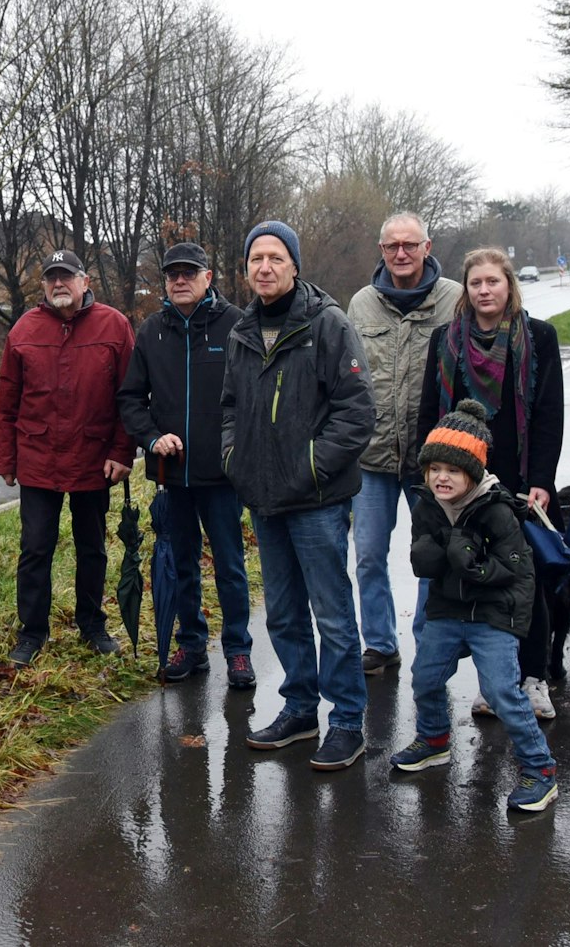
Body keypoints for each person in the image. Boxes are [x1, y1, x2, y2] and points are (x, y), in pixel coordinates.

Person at [221, 220, 376, 768]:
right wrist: (233, 459)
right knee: (284, 614)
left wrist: (310, 467)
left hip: (316, 500)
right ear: (246, 269)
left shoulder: (326, 324)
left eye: (275, 258)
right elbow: (230, 409)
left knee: (332, 615)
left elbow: (358, 412)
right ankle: (300, 709)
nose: (264, 267)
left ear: (294, 266)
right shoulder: (242, 331)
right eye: (255, 259)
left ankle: (347, 721)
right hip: (263, 499)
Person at [391, 400, 559, 812]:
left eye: (452, 470)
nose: (441, 478)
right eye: (434, 470)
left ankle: (541, 769)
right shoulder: (427, 506)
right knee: (425, 678)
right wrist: (442, 552)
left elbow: (517, 568)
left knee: (503, 692)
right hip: (448, 610)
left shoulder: (498, 509)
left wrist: (474, 563)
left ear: (473, 472)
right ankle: (433, 740)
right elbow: (421, 559)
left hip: (493, 612)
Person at [419, 247, 563, 720]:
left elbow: (548, 416)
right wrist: (434, 479)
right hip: (466, 489)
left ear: (509, 286)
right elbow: (429, 415)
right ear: (466, 288)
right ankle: (493, 683)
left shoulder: (538, 337)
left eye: (493, 282)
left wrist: (541, 480)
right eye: (476, 283)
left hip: (521, 485)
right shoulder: (445, 341)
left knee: (527, 584)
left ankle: (533, 678)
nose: (484, 291)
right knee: (480, 585)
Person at [118, 241, 255, 689]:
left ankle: (238, 651)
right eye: (172, 273)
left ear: (208, 277)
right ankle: (191, 643)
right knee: (180, 562)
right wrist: (154, 438)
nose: (180, 280)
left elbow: (252, 395)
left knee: (231, 566)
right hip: (171, 475)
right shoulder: (152, 332)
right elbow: (131, 400)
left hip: (222, 475)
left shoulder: (236, 325)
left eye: (189, 272)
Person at [0, 249, 137, 665]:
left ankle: (93, 625)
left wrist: (122, 451)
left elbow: (129, 397)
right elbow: (6, 402)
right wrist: (6, 458)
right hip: (39, 460)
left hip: (95, 460)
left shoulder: (114, 326)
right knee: (35, 548)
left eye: (67, 277)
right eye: (51, 278)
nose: (59, 284)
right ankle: (32, 632)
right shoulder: (23, 329)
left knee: (92, 547)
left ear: (85, 281)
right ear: (43, 286)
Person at [346, 211, 463, 676]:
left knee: (432, 557)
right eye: (393, 245)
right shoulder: (361, 304)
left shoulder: (454, 300)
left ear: (427, 247)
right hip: (371, 458)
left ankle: (428, 643)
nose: (401, 253)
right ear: (381, 250)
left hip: (431, 461)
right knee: (369, 556)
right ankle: (380, 642)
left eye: (410, 245)